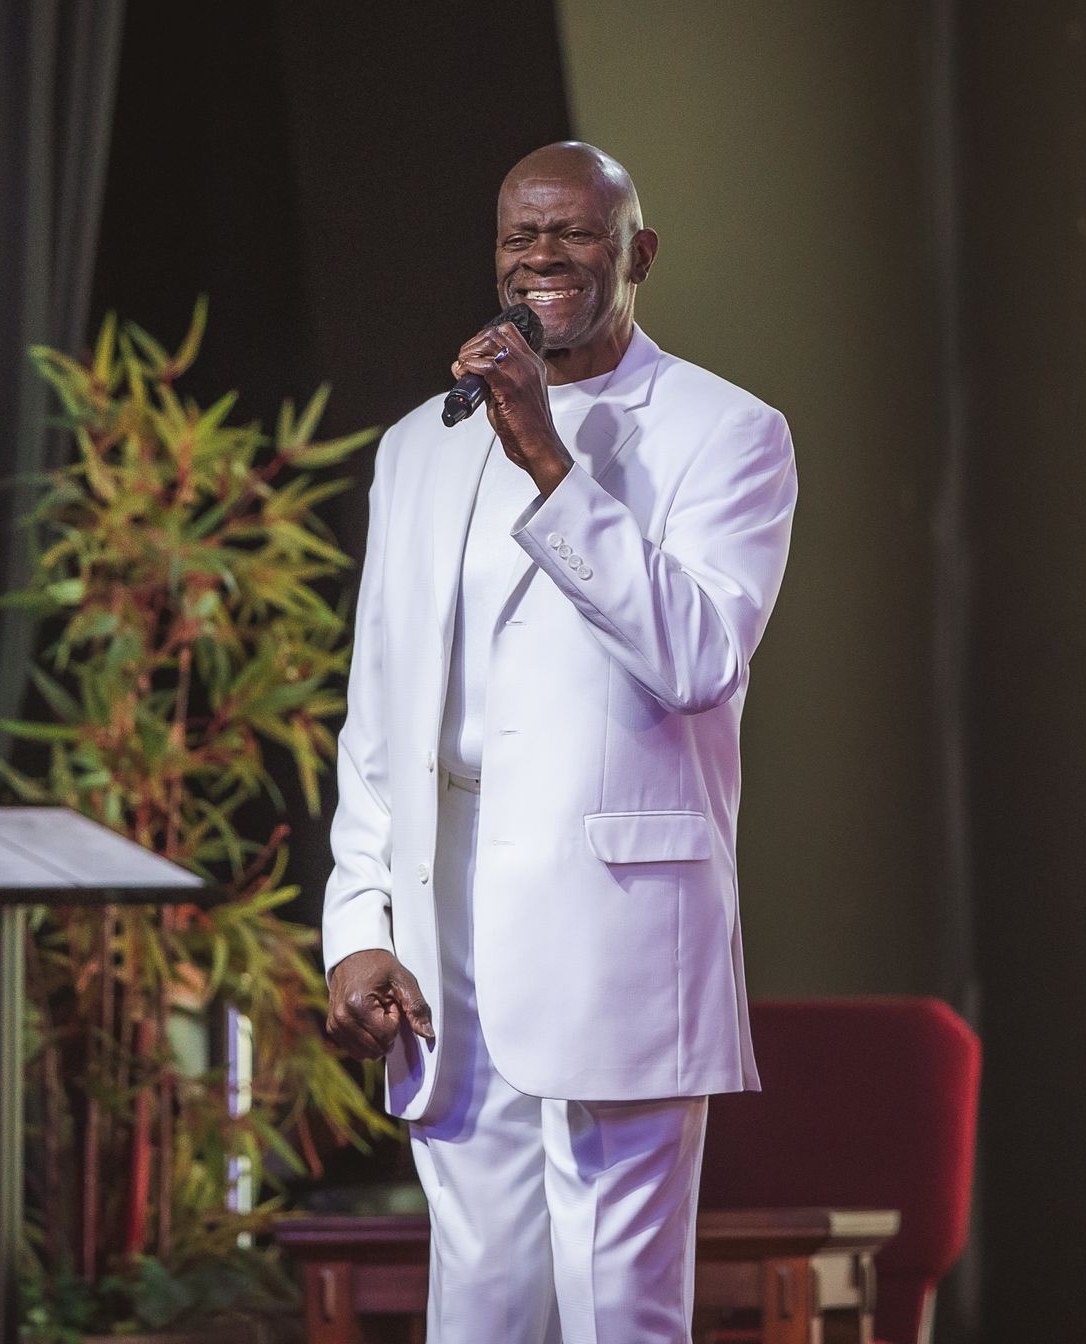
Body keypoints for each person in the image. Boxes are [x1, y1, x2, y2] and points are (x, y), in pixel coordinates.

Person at [322, 142, 797, 1343]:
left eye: (575, 235)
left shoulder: (726, 433)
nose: (542, 258)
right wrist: (358, 923)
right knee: (478, 1298)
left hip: (616, 917)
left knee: (618, 1306)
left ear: (636, 254)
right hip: (447, 914)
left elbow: (695, 657)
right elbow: (379, 712)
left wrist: (548, 458)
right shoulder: (418, 446)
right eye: (519, 238)